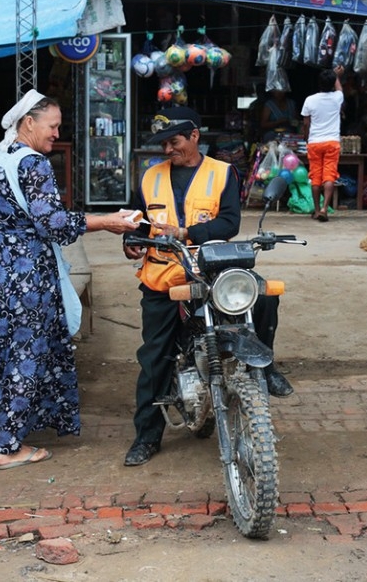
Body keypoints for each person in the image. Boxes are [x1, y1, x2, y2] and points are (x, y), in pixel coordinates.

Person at [0, 89, 138, 470]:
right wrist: (107, 222)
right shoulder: (33, 164)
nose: (57, 133)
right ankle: (8, 448)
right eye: (53, 126)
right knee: (27, 352)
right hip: (24, 274)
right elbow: (53, 223)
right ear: (28, 123)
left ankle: (0, 434)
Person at [121, 105, 292, 467]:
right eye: (163, 144)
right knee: (155, 360)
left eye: (175, 142)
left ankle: (266, 365)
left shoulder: (222, 172)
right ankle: (147, 437)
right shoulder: (150, 176)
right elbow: (137, 220)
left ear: (195, 135)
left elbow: (229, 222)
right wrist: (132, 240)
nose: (168, 150)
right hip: (163, 278)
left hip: (211, 270)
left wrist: (188, 233)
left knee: (262, 298)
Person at [301, 65, 344, 222]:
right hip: (332, 142)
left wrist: (306, 137)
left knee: (315, 177)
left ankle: (317, 209)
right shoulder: (337, 98)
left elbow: (306, 123)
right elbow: (339, 88)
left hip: (314, 143)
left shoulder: (310, 100)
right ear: (332, 84)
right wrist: (336, 75)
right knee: (329, 175)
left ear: (318, 83)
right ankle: (325, 208)